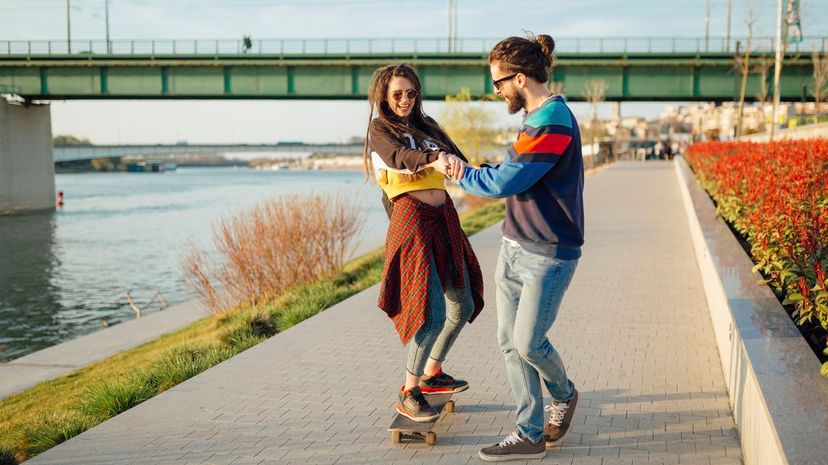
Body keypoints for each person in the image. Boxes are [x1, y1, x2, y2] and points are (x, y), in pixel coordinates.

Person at [436, 34, 584, 461]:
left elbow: (505, 181)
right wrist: (472, 170)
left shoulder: (553, 120)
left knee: (529, 343)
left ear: (520, 78)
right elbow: (511, 169)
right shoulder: (535, 117)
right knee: (508, 340)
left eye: (498, 83)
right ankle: (528, 433)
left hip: (548, 253)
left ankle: (565, 393)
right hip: (514, 245)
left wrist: (461, 173)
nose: (495, 91)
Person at [363, 64, 485, 422]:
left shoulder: (429, 127)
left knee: (460, 304)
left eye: (411, 93)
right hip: (412, 220)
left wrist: (499, 173)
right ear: (384, 96)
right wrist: (435, 158)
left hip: (444, 216)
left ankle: (432, 373)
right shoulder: (380, 130)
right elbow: (400, 158)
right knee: (429, 314)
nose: (404, 99)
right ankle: (409, 391)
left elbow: (460, 162)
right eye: (397, 93)